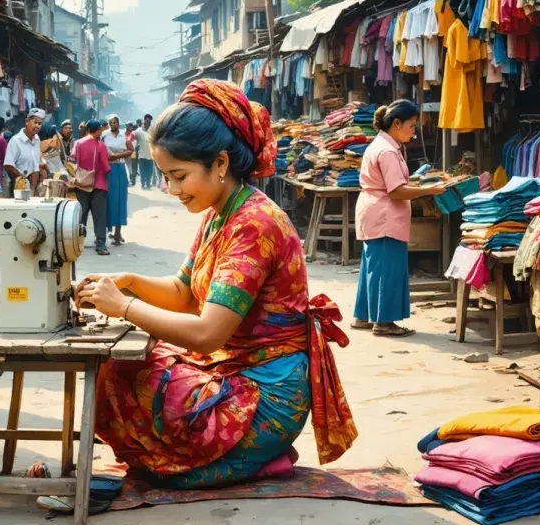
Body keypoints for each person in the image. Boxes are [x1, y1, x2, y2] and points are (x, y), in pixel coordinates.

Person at [76, 80, 356, 488]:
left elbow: (207, 333)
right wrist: (130, 282)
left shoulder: (254, 225)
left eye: (179, 177)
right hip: (237, 368)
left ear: (220, 164)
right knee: (126, 363)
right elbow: (184, 293)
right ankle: (239, 459)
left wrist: (124, 307)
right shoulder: (221, 212)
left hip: (267, 397)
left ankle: (256, 456)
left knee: (125, 373)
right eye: (166, 178)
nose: (172, 190)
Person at [352, 100, 446, 337]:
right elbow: (396, 191)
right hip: (384, 216)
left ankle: (363, 316)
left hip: (374, 212)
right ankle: (384, 322)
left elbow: (395, 184)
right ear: (396, 123)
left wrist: (417, 183)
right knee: (388, 270)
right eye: (412, 126)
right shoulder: (387, 151)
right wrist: (429, 190)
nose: (414, 132)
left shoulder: (382, 146)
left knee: (373, 268)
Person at [72, 119, 111, 255]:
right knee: (99, 216)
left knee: (81, 215)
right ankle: (100, 245)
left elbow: (73, 161)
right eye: (100, 129)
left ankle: (76, 243)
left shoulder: (78, 143)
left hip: (81, 183)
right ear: (97, 130)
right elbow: (106, 167)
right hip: (98, 184)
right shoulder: (101, 145)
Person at [102, 115, 133, 245]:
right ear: (109, 124)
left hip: (120, 169)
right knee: (109, 199)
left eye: (115, 122)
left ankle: (118, 232)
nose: (113, 124)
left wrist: (116, 156)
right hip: (108, 170)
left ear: (119, 123)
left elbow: (131, 150)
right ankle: (109, 230)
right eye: (111, 122)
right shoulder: (105, 136)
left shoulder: (123, 136)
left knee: (120, 200)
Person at [3, 108, 48, 194]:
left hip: (32, 187)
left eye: (40, 123)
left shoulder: (37, 139)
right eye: (35, 122)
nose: (37, 126)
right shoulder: (15, 141)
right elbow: (8, 165)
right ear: (27, 122)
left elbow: (35, 166)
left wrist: (33, 189)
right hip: (18, 186)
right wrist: (23, 178)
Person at [135, 113, 154, 190]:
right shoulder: (138, 131)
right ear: (144, 121)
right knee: (143, 172)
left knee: (149, 172)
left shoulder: (152, 132)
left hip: (150, 156)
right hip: (142, 155)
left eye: (149, 122)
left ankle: (148, 185)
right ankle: (143, 185)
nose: (148, 123)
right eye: (147, 121)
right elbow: (133, 140)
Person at [125, 121, 138, 186]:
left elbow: (133, 143)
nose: (129, 126)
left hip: (133, 152)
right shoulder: (124, 133)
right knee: (127, 165)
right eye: (128, 125)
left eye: (130, 125)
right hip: (125, 152)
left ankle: (133, 180)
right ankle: (128, 179)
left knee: (133, 166)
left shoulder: (133, 134)